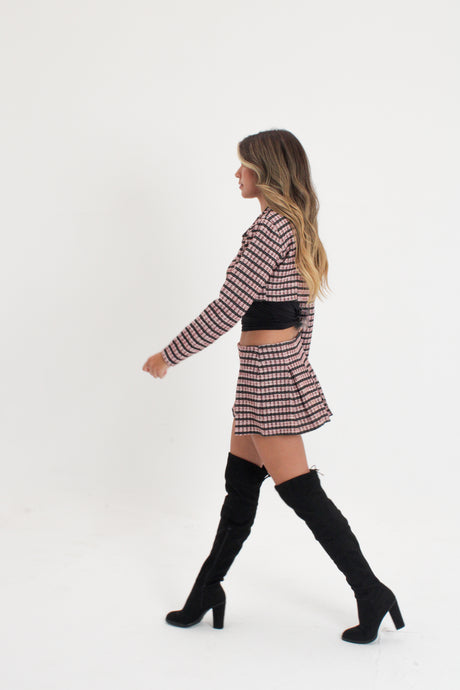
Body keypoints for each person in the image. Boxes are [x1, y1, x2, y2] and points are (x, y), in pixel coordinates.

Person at [142, 129, 404, 644]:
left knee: (300, 491)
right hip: (266, 369)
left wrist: (168, 355)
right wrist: (294, 366)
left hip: (268, 374)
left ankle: (371, 591)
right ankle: (206, 591)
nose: (236, 174)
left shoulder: (269, 228)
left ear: (264, 172)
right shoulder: (294, 225)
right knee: (240, 484)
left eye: (243, 166)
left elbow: (228, 308)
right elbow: (305, 314)